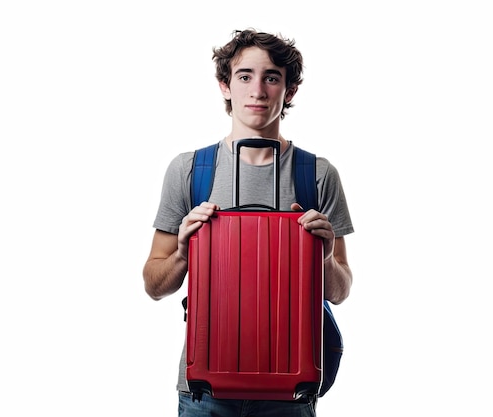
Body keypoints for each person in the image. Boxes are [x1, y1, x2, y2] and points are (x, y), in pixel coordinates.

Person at [143, 28, 354, 417]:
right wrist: (184, 255)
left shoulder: (319, 175)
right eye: (244, 76)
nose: (257, 90)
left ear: (288, 91)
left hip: (288, 394)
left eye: (272, 77)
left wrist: (323, 258)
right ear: (225, 85)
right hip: (204, 394)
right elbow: (153, 286)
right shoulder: (190, 171)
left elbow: (340, 292)